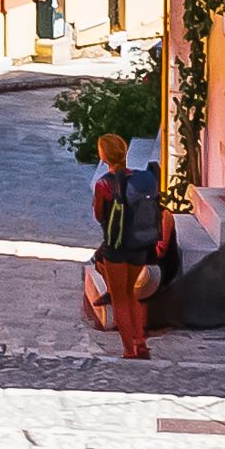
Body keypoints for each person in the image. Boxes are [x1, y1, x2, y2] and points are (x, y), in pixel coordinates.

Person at [82, 133, 160, 357]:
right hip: (140, 244)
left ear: (103, 155)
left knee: (119, 298)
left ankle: (129, 349)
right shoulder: (139, 179)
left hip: (116, 246)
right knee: (132, 294)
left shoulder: (104, 184)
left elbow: (99, 216)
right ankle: (141, 342)